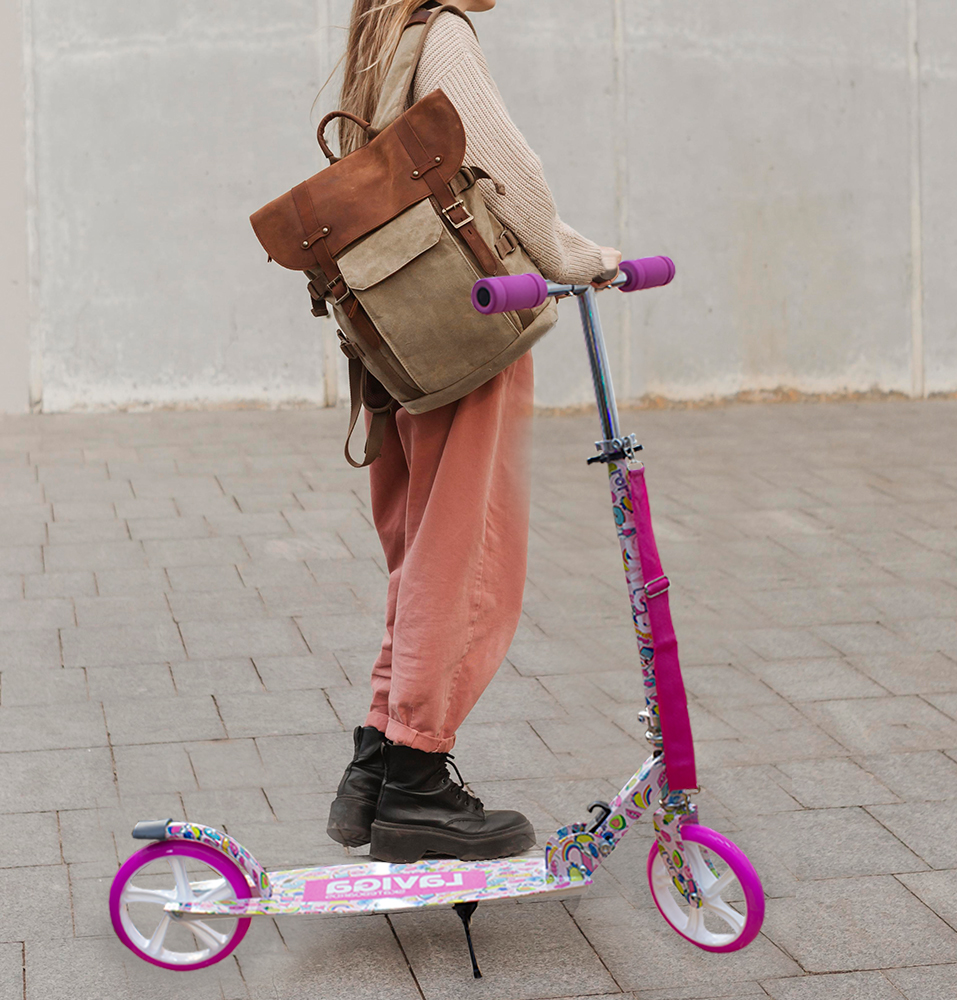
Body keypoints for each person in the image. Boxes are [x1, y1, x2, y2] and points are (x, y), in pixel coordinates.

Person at [326, 0, 622, 863]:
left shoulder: (378, 38)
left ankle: (377, 765)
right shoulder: (443, 31)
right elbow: (504, 168)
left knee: (423, 546)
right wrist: (576, 257)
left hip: (397, 343)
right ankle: (419, 778)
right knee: (470, 548)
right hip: (465, 328)